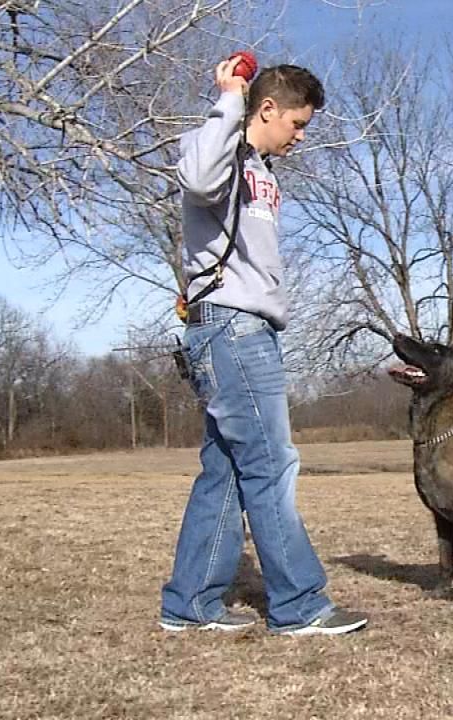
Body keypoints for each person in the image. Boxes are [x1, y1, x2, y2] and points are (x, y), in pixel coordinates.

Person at [159, 57, 367, 636]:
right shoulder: (216, 147)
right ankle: (299, 606)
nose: (300, 137)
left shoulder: (261, 170)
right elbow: (198, 180)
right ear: (267, 109)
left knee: (224, 471)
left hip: (248, 328)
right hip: (231, 327)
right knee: (272, 465)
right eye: (297, 124)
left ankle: (190, 604)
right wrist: (230, 96)